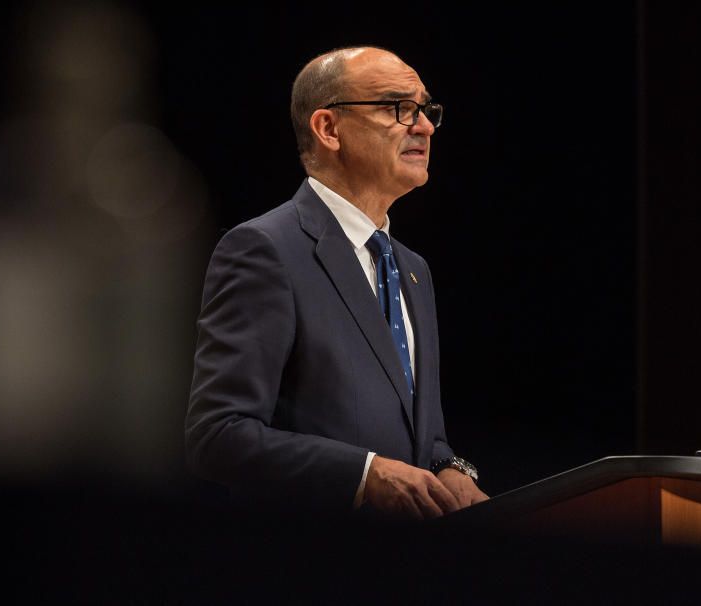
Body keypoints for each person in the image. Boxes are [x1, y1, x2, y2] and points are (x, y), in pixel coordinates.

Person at [185, 46, 488, 519]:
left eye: (426, 110)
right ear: (328, 129)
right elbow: (218, 435)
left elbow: (419, 437)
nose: (425, 126)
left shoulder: (413, 270)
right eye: (398, 108)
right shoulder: (265, 250)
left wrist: (450, 468)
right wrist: (364, 476)